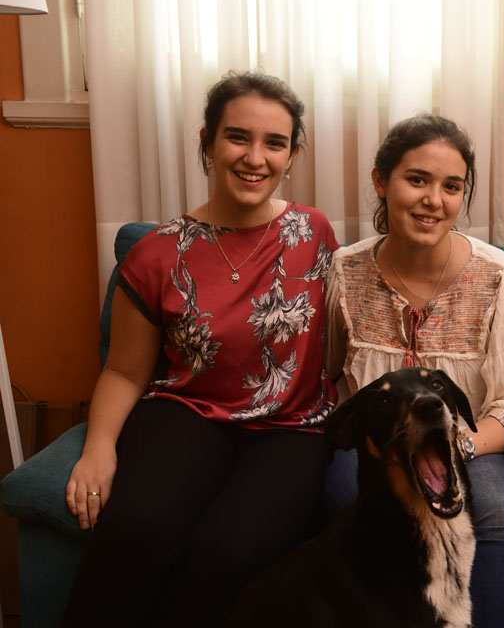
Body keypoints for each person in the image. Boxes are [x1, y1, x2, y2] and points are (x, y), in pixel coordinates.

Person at [62, 71, 339, 627]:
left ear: (293, 155)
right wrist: (99, 449)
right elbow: (122, 371)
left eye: (275, 143)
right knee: (139, 527)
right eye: (238, 137)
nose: (254, 157)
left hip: (293, 428)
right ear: (208, 144)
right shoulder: (154, 254)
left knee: (228, 551)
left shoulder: (313, 233)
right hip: (186, 414)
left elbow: (397, 265)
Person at [324, 114, 504, 628]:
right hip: (378, 444)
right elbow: (330, 373)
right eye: (417, 179)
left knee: (495, 507)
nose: (434, 200)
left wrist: (453, 444)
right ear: (381, 181)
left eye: (451, 187)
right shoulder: (344, 269)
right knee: (349, 493)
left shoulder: (502, 278)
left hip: (471, 440)